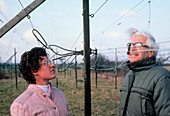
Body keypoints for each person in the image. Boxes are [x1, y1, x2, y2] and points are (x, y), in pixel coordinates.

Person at [119, 28, 170, 116]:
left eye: (138, 45)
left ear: (150, 52)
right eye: (130, 45)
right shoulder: (129, 74)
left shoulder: (162, 77)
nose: (132, 49)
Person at [10, 47, 70, 116]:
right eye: (46, 63)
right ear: (34, 70)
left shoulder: (59, 94)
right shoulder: (22, 105)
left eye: (50, 62)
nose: (52, 65)